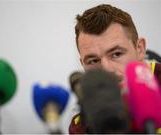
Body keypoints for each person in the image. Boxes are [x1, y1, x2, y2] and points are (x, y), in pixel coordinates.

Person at [69, 4, 161, 134]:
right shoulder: (82, 126)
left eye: (116, 54)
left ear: (139, 49)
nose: (107, 70)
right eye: (93, 61)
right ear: (83, 64)